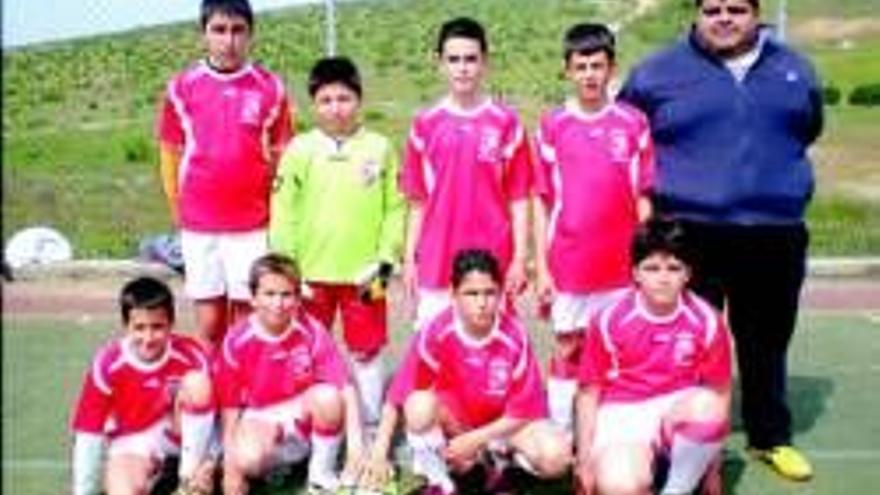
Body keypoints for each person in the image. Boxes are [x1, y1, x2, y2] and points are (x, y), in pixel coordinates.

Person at [618, 0, 823, 481]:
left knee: (767, 339)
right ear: (697, 13)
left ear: (757, 12)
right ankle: (675, 438)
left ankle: (769, 436)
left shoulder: (795, 69)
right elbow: (626, 136)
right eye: (713, 8)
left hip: (774, 231)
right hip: (690, 231)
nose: (724, 18)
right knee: (681, 340)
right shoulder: (656, 72)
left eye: (737, 8)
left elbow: (808, 127)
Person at [356, 249, 570, 495]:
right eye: (471, 293)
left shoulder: (514, 336)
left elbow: (525, 411)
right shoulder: (436, 332)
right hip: (456, 430)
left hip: (500, 430)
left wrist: (477, 440)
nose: (481, 303)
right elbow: (399, 395)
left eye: (490, 293)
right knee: (418, 405)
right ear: (453, 294)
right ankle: (441, 484)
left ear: (500, 294)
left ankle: (500, 467)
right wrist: (379, 452)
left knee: (557, 456)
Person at [270, 56, 405, 429]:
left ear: (358, 100)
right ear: (314, 104)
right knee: (304, 349)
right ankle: (306, 425)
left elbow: (395, 208)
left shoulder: (380, 148)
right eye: (326, 100)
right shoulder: (300, 150)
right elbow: (284, 211)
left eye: (344, 98)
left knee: (367, 348)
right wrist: (289, 270)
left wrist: (384, 260)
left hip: (367, 275)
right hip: (311, 276)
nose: (336, 108)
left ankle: (369, 422)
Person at [533, 23, 655, 434]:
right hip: (569, 264)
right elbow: (541, 200)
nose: (589, 74)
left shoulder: (633, 123)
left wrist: (645, 260)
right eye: (581, 66)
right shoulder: (552, 126)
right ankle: (561, 430)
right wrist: (543, 268)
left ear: (611, 68)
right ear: (566, 70)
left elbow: (643, 198)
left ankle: (613, 430)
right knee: (569, 346)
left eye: (597, 65)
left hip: (620, 265)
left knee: (620, 348)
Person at [157, 0, 294, 349]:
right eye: (219, 30)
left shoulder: (270, 88)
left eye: (237, 30)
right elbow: (169, 153)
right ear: (203, 33)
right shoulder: (182, 87)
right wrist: (178, 210)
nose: (228, 40)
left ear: (251, 34)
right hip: (200, 226)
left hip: (252, 226)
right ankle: (211, 401)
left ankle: (244, 398)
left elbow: (283, 158)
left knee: (248, 320)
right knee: (210, 323)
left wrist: (278, 217)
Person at [574, 219, 732, 495]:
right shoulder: (608, 319)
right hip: (624, 415)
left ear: (687, 274)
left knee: (708, 405)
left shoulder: (707, 320)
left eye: (673, 268)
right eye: (652, 268)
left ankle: (677, 487)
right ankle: (643, 469)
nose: (663, 277)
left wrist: (713, 468)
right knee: (619, 485)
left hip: (677, 412)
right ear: (635, 273)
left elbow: (721, 392)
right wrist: (585, 460)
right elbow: (589, 393)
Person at [400, 17, 533, 328]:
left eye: (471, 59)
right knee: (435, 355)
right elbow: (417, 201)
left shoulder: (506, 123)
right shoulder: (425, 124)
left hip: (492, 257)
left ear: (484, 62)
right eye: (454, 59)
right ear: (440, 63)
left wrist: (519, 259)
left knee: (489, 353)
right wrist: (409, 259)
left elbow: (519, 199)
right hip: (437, 259)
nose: (463, 68)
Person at [215, 253, 364, 494]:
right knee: (248, 460)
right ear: (253, 298)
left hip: (302, 411)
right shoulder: (236, 340)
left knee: (328, 397)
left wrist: (357, 446)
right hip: (261, 416)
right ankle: (278, 466)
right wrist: (231, 467)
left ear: (297, 298)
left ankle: (321, 475)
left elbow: (344, 385)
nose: (278, 303)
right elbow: (230, 406)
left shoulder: (311, 329)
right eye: (269, 294)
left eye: (286, 294)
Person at [70, 277, 216, 495]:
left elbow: (214, 413)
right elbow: (89, 432)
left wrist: (211, 460)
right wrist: (83, 491)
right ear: (125, 326)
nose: (148, 338)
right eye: (139, 328)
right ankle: (160, 473)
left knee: (198, 384)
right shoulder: (108, 364)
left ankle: (188, 481)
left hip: (179, 434)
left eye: (157, 327)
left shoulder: (190, 354)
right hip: (132, 441)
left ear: (171, 323)